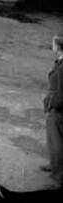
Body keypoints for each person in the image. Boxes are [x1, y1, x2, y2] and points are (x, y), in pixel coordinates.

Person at [43, 34, 63, 186]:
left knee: (56, 142)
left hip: (58, 108)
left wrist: (53, 106)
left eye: (53, 43)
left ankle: (58, 175)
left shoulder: (62, 67)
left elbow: (60, 91)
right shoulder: (60, 62)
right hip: (57, 106)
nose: (52, 45)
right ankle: (54, 166)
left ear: (58, 46)